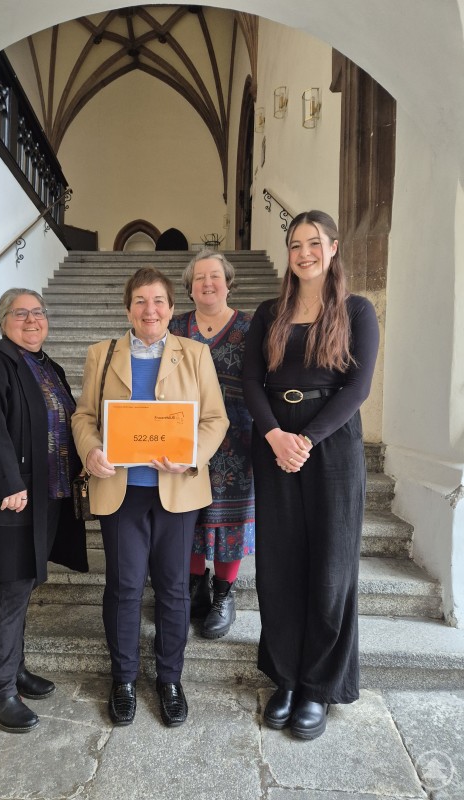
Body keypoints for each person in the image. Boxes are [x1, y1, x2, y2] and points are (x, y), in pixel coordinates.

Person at [242, 211, 379, 740]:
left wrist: (306, 440)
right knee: (279, 564)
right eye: (296, 244)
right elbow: (252, 381)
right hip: (275, 441)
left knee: (329, 565)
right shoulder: (269, 312)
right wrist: (276, 435)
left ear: (334, 247)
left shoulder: (356, 311)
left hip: (331, 446)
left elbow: (357, 388)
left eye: (314, 243)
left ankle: (319, 685)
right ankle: (286, 677)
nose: (304, 253)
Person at [72, 267, 228, 728]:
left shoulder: (195, 355)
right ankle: (122, 678)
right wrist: (91, 449)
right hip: (122, 493)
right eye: (140, 301)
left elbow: (215, 419)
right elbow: (83, 416)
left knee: (175, 589)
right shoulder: (102, 354)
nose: (150, 310)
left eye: (158, 300)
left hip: (177, 493)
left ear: (171, 308)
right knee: (123, 587)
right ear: (127, 308)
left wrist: (192, 454)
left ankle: (169, 679)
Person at [0, 288, 88, 734]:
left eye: (38, 313)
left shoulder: (46, 366)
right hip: (11, 501)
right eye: (20, 313)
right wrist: (10, 482)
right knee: (7, 592)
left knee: (22, 586)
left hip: (44, 499)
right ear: (3, 319)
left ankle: (14, 670)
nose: (32, 320)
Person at [169, 248, 254, 639]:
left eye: (214, 276)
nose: (207, 283)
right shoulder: (175, 327)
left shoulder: (251, 328)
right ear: (189, 288)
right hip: (185, 436)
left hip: (238, 438)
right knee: (189, 515)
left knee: (228, 519)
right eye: (199, 277)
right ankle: (191, 587)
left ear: (228, 282)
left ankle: (223, 594)